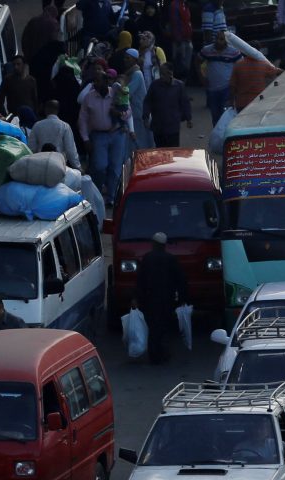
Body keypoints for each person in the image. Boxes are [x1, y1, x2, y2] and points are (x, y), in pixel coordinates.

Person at [135, 232, 188, 364]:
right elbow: (180, 280)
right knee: (164, 328)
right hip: (166, 300)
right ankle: (163, 354)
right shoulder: (171, 259)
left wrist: (135, 298)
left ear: (154, 244)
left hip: (149, 300)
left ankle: (153, 355)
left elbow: (140, 280)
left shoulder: (147, 258)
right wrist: (183, 298)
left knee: (153, 328)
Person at [79, 68, 131, 200]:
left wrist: (119, 114)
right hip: (98, 136)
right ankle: (97, 192)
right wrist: (85, 139)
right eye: (94, 81)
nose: (95, 84)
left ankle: (112, 196)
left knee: (115, 167)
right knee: (100, 166)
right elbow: (83, 120)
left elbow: (128, 111)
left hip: (117, 134)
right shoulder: (89, 98)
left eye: (98, 81)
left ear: (105, 82)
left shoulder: (116, 94)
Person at [143, 63, 193, 148]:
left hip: (172, 126)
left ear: (170, 73)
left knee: (173, 152)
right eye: (160, 73)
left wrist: (189, 119)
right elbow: (148, 101)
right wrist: (145, 117)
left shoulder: (179, 86)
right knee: (160, 151)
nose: (161, 76)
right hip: (158, 125)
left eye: (163, 74)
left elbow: (185, 103)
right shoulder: (154, 85)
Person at [198, 30, 242, 126]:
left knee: (225, 117)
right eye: (216, 38)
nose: (218, 41)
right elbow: (197, 61)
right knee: (215, 117)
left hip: (227, 89)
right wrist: (201, 77)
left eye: (221, 39)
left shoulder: (234, 52)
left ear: (226, 40)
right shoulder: (207, 50)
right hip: (212, 89)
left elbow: (240, 68)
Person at [28, 100, 81, 169]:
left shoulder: (37, 125)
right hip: (59, 165)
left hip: (40, 163)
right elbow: (70, 150)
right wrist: (78, 167)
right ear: (57, 110)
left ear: (45, 109)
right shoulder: (64, 126)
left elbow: (31, 148)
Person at [230, 46, 283, 111]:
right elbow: (278, 72)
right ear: (258, 51)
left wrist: (232, 102)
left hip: (242, 103)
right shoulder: (263, 64)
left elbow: (232, 85)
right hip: (258, 102)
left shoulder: (238, 65)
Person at [123, 48, 154, 149]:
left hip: (138, 112)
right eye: (125, 58)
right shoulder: (130, 73)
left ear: (134, 60)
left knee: (140, 142)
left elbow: (127, 92)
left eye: (128, 58)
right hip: (134, 112)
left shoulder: (137, 74)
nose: (125, 60)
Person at [167, 0, 195, 80]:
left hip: (188, 39)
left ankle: (183, 84)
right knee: (179, 64)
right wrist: (178, 39)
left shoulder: (185, 4)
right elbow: (174, 22)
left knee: (186, 65)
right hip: (180, 40)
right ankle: (177, 85)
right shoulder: (175, 5)